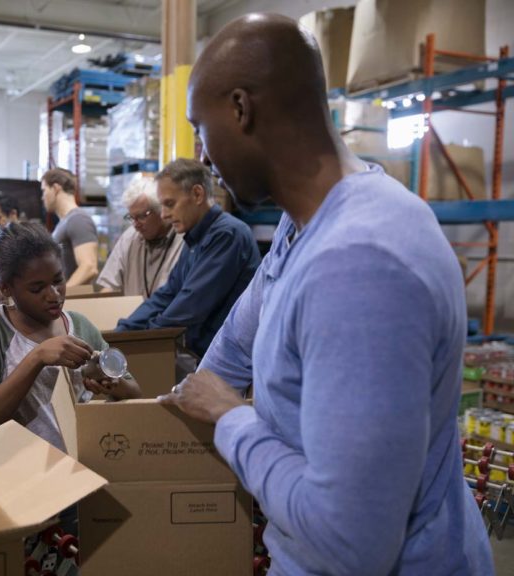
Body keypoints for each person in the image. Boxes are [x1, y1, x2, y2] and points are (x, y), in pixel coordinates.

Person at [159, 14, 493, 575]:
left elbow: (352, 543)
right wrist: (161, 404)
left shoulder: (360, 265)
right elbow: (230, 354)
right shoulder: (301, 226)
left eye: (201, 127)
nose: (205, 155)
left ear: (241, 109)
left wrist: (229, 421)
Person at [0, 221, 141, 448]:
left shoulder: (80, 326)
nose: (54, 295)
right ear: (7, 288)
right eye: (37, 289)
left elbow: (134, 393)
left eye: (58, 280)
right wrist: (37, 357)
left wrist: (111, 384)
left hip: (81, 465)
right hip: (20, 470)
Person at [115, 159, 260, 361]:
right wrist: (124, 330)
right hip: (203, 354)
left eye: (170, 204)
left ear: (197, 194)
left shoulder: (227, 235)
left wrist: (147, 335)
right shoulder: (194, 239)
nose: (164, 214)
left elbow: (190, 305)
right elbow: (168, 293)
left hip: (229, 360)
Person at [96, 177, 184, 298]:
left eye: (142, 216)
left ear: (160, 210)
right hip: (132, 315)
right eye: (131, 217)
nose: (136, 225)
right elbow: (110, 287)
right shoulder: (129, 238)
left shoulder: (184, 240)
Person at [41, 168, 99, 286]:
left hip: (72, 303)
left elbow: (89, 267)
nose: (42, 197)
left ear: (56, 188)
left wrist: (61, 296)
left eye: (44, 190)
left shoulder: (78, 220)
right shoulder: (65, 221)